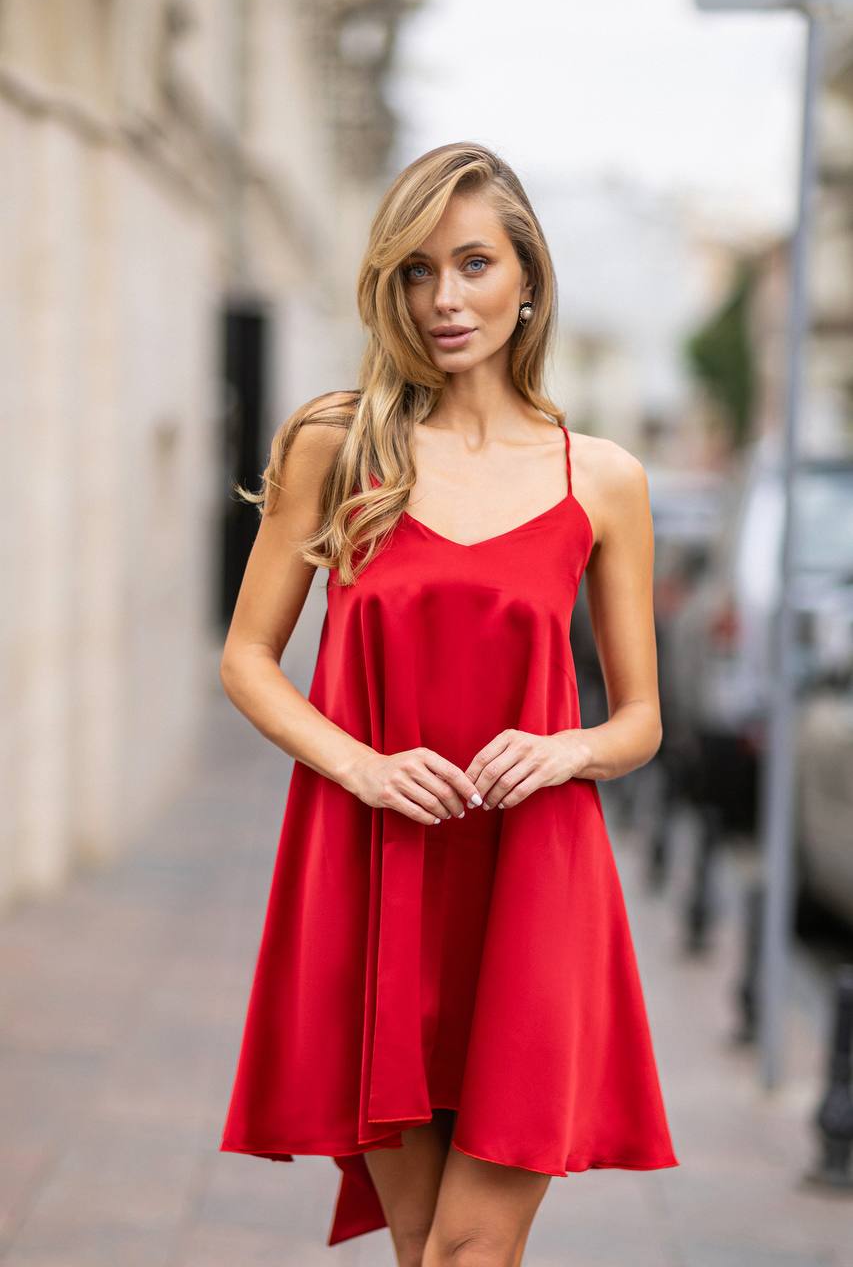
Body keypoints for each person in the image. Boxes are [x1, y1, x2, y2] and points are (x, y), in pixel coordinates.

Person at [218, 141, 679, 1267]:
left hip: (530, 879)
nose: (444, 298)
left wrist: (567, 749)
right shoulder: (338, 449)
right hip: (375, 867)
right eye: (417, 271)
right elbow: (246, 657)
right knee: (424, 1244)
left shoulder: (600, 476)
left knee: (470, 1249)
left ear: (528, 278)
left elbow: (640, 720)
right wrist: (362, 765)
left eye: (473, 263)